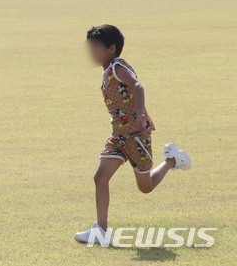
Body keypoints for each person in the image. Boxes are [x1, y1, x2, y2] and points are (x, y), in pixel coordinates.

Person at [74, 25, 191, 246]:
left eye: (96, 48)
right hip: (118, 135)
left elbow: (137, 86)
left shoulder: (118, 67)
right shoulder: (107, 68)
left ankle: (173, 160)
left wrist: (139, 113)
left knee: (145, 187)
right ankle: (101, 229)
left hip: (137, 134)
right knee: (100, 177)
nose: (91, 52)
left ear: (111, 48)